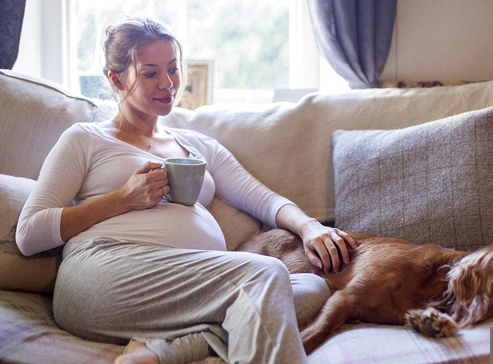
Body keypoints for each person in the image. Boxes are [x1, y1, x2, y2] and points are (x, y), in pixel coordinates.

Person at [16, 17, 356, 364]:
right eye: (150, 73)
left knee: (310, 287)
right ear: (116, 79)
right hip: (103, 274)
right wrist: (122, 199)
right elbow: (29, 233)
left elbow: (263, 198)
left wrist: (310, 227)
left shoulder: (198, 146)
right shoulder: (86, 138)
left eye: (173, 69)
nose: (167, 84)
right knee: (266, 275)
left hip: (186, 287)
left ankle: (164, 351)